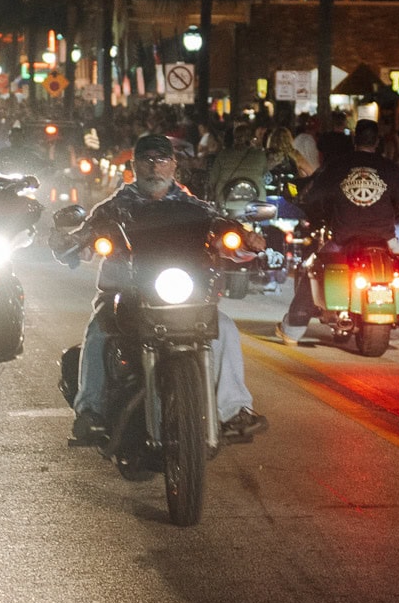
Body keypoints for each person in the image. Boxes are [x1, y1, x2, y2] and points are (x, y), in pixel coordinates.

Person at [54, 132, 266, 442]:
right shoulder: (114, 209)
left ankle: (234, 410)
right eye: (147, 160)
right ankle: (92, 412)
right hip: (125, 297)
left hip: (186, 299)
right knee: (99, 332)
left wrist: (247, 241)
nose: (155, 167)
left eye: (162, 160)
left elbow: (228, 241)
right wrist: (69, 242)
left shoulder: (196, 208)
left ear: (174, 165)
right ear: (135, 165)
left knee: (226, 328)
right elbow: (82, 246)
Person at [277, 118, 399, 345]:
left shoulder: (337, 166)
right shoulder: (390, 168)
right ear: (377, 141)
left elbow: (312, 196)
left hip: (344, 236)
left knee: (313, 268)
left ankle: (293, 329)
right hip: (385, 238)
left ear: (354, 138)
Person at [205, 122, 269, 205]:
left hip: (226, 202)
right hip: (255, 203)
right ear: (251, 138)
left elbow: (213, 180)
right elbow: (266, 177)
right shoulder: (260, 155)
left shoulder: (223, 155)